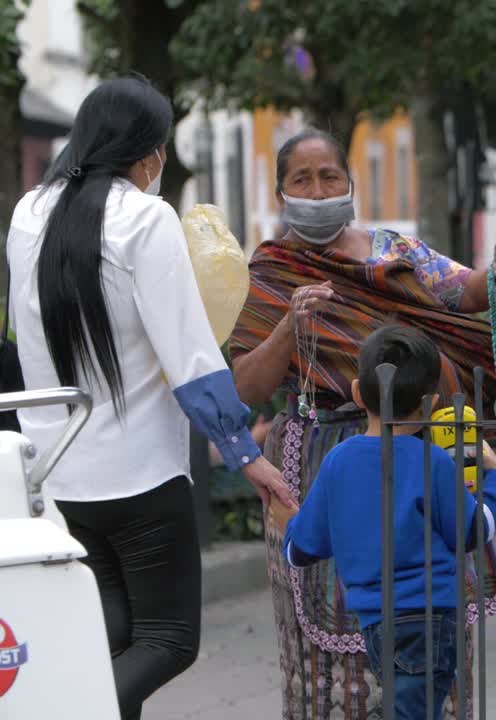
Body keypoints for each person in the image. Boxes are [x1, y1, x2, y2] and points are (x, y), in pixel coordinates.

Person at [228, 127, 496, 720]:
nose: (318, 188)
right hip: (317, 454)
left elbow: (461, 292)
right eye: (301, 179)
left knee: (423, 608)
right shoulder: (268, 273)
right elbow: (244, 387)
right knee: (327, 621)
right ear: (281, 192)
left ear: (349, 182)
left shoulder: (393, 251)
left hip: (413, 437)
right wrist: (289, 324)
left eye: (328, 175)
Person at [4, 77, 292, 720]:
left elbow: (22, 338)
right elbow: (190, 356)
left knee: (111, 635)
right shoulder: (144, 217)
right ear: (150, 153)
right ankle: (64, 710)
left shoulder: (28, 213)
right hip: (139, 475)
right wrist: (247, 455)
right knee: (167, 639)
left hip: (54, 475)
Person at [278, 326, 496, 720]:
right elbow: (471, 532)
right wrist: (495, 480)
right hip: (431, 616)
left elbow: (301, 550)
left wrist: (288, 524)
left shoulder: (337, 461)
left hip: (375, 620)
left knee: (408, 707)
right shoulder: (432, 461)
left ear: (356, 393)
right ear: (433, 403)